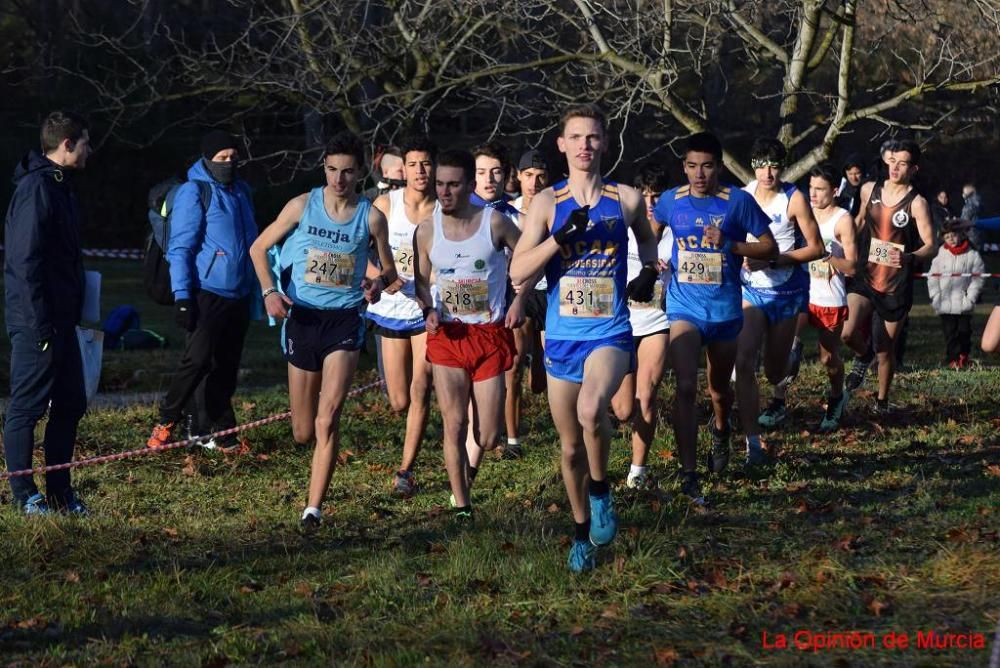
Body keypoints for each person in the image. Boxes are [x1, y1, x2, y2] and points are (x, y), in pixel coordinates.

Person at [510, 104, 660, 572]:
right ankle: (581, 533)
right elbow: (517, 273)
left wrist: (650, 270)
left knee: (593, 409)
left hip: (610, 332)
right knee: (571, 446)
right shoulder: (546, 203)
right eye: (575, 138)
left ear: (605, 143)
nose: (584, 146)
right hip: (561, 338)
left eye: (592, 137)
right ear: (561, 145)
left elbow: (647, 236)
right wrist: (559, 239)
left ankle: (600, 492)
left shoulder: (626, 199)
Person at [248, 131, 396, 529]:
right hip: (304, 319)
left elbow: (389, 272)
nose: (339, 180)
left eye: (348, 172)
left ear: (361, 172)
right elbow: (257, 248)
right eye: (332, 170)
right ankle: (314, 454)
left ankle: (313, 509)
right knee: (302, 430)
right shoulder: (302, 206)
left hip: (345, 322)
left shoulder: (371, 217)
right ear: (324, 169)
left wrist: (377, 285)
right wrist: (268, 293)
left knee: (327, 419)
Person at [651, 132, 776, 504]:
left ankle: (722, 429)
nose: (699, 174)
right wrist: (651, 260)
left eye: (706, 166)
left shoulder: (738, 201)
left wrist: (732, 245)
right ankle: (688, 473)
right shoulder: (670, 200)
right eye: (691, 166)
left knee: (720, 390)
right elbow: (650, 233)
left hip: (724, 311)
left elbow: (770, 246)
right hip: (683, 307)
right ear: (684, 167)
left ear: (718, 167)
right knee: (686, 386)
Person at [412, 149, 524, 520]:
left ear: (470, 186)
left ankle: (483, 426)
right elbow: (422, 283)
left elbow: (528, 260)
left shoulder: (496, 223)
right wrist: (428, 309)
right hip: (448, 336)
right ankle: (462, 505)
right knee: (454, 422)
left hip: (489, 335)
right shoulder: (427, 231)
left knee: (488, 436)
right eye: (440, 184)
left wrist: (519, 299)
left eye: (453, 184)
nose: (444, 192)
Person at [146, 130, 259, 450]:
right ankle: (167, 418)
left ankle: (221, 432)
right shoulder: (194, 192)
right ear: (207, 158)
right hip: (205, 291)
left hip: (238, 293)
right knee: (196, 360)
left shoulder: (242, 192)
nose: (229, 163)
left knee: (226, 366)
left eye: (234, 157)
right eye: (222, 158)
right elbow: (180, 249)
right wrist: (182, 297)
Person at [3, 110, 92, 514]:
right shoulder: (37, 188)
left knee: (71, 402)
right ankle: (23, 494)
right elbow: (25, 261)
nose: (90, 150)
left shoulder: (62, 187)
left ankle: (60, 492)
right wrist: (40, 324)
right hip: (37, 321)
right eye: (86, 142)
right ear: (67, 144)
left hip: (63, 320)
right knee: (27, 405)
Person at [734, 138, 823, 461]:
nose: (767, 172)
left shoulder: (794, 198)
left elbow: (817, 249)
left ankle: (790, 357)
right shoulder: (742, 196)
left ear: (782, 167)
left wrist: (772, 260)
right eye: (760, 165)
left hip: (786, 291)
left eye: (773, 165)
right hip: (752, 290)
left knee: (774, 373)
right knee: (743, 360)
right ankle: (752, 442)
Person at [365, 136, 439, 496]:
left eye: (426, 163)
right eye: (414, 164)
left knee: (421, 388)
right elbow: (356, 250)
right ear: (403, 169)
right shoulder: (385, 204)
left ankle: (405, 471)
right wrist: (378, 276)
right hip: (390, 310)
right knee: (399, 400)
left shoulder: (444, 209)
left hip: (427, 310)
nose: (421, 171)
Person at [841, 139, 935, 413]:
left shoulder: (917, 203)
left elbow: (931, 245)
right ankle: (863, 354)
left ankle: (881, 402)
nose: (895, 167)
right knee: (847, 332)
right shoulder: (869, 189)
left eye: (902, 163)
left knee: (885, 349)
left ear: (913, 168)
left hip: (895, 285)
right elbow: (858, 221)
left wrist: (908, 257)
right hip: (865, 277)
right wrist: (839, 241)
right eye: (892, 160)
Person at [763, 163, 857, 432]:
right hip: (800, 292)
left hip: (830, 298)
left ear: (835, 190)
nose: (813, 195)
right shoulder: (802, 212)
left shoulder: (843, 219)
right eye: (811, 188)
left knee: (828, 359)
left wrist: (829, 257)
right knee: (786, 349)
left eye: (820, 189)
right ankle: (778, 403)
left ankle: (837, 397)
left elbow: (853, 267)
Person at [610, 163, 672, 490]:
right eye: (644, 194)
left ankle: (638, 471)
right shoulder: (622, 230)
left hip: (656, 322)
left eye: (657, 195)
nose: (650, 201)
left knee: (646, 396)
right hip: (620, 323)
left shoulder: (675, 233)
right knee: (622, 409)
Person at [471, 141, 524, 457]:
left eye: (495, 172)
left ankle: (490, 436)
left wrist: (520, 296)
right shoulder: (453, 210)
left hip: (498, 312)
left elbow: (528, 261)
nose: (489, 179)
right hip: (457, 314)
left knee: (511, 367)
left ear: (506, 175)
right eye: (481, 172)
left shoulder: (513, 216)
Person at [511, 149, 550, 398]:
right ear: (518, 176)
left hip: (550, 291)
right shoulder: (507, 211)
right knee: (514, 363)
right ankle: (512, 434)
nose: (534, 183)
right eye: (528, 175)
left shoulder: (556, 208)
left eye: (540, 176)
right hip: (518, 294)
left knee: (542, 378)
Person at [928, 220, 985, 369]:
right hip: (945, 303)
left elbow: (978, 278)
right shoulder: (941, 254)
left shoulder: (972, 255)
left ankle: (964, 356)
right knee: (950, 333)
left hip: (963, 302)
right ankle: (953, 359)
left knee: (964, 332)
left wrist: (970, 297)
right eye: (947, 237)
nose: (951, 240)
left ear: (960, 235)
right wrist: (935, 296)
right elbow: (932, 276)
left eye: (953, 235)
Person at [961, 183, 982, 249]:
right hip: (981, 234)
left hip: (970, 236)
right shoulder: (980, 202)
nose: (963, 194)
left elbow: (964, 221)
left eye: (964, 192)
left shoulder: (969, 205)